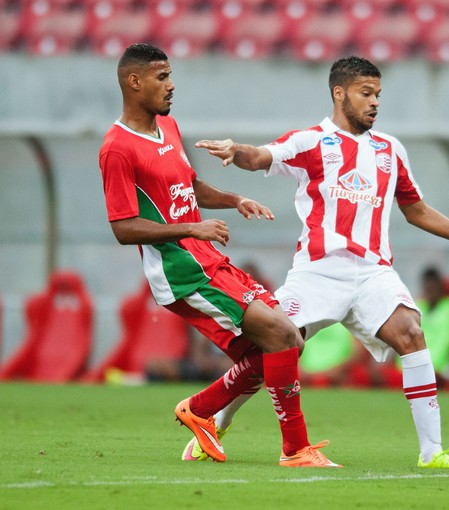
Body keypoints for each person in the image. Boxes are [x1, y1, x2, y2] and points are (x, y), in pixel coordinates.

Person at [193, 55, 449, 469]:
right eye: (366, 93)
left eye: (378, 94)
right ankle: (215, 423)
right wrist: (235, 149)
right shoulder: (311, 141)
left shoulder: (389, 149)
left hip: (372, 274)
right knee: (272, 349)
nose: (374, 102)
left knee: (411, 333)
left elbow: (415, 210)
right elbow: (260, 156)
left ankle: (432, 453)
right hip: (318, 271)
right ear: (339, 92)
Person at [98, 43, 339, 468]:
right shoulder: (117, 148)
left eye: (170, 75)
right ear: (134, 82)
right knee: (281, 335)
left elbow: (189, 187)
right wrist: (191, 227)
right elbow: (122, 228)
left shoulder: (167, 129)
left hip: (207, 258)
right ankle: (295, 450)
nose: (171, 86)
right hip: (181, 272)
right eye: (161, 77)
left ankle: (201, 409)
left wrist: (234, 199)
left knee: (285, 344)